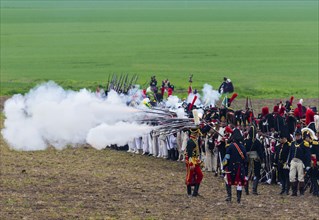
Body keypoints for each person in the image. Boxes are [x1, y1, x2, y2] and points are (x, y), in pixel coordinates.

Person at [223, 128, 247, 203]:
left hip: (231, 167)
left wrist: (224, 166)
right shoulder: (242, 147)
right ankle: (238, 199)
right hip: (240, 167)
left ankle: (229, 197)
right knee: (239, 183)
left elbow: (227, 157)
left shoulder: (230, 146)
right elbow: (245, 159)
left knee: (228, 181)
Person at [288, 128, 311, 196]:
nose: (297, 136)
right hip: (293, 161)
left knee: (301, 177)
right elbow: (290, 153)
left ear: (301, 136)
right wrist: (288, 162)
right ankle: (294, 191)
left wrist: (307, 165)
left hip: (301, 162)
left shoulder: (305, 144)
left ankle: (301, 192)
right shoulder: (292, 143)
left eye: (298, 135)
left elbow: (307, 155)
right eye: (296, 135)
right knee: (292, 177)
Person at [185, 127, 203, 197]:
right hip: (191, 161)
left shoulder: (195, 140)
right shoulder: (190, 141)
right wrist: (191, 163)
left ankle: (195, 192)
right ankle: (189, 193)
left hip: (195, 160)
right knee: (190, 176)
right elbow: (189, 154)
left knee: (200, 175)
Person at [274, 126, 290, 195]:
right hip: (279, 163)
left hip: (285, 163)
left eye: (281, 138)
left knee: (286, 177)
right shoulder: (279, 146)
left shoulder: (289, 146)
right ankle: (283, 189)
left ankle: (287, 190)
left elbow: (289, 155)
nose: (280, 139)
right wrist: (275, 163)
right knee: (282, 177)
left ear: (284, 138)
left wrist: (287, 162)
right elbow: (277, 155)